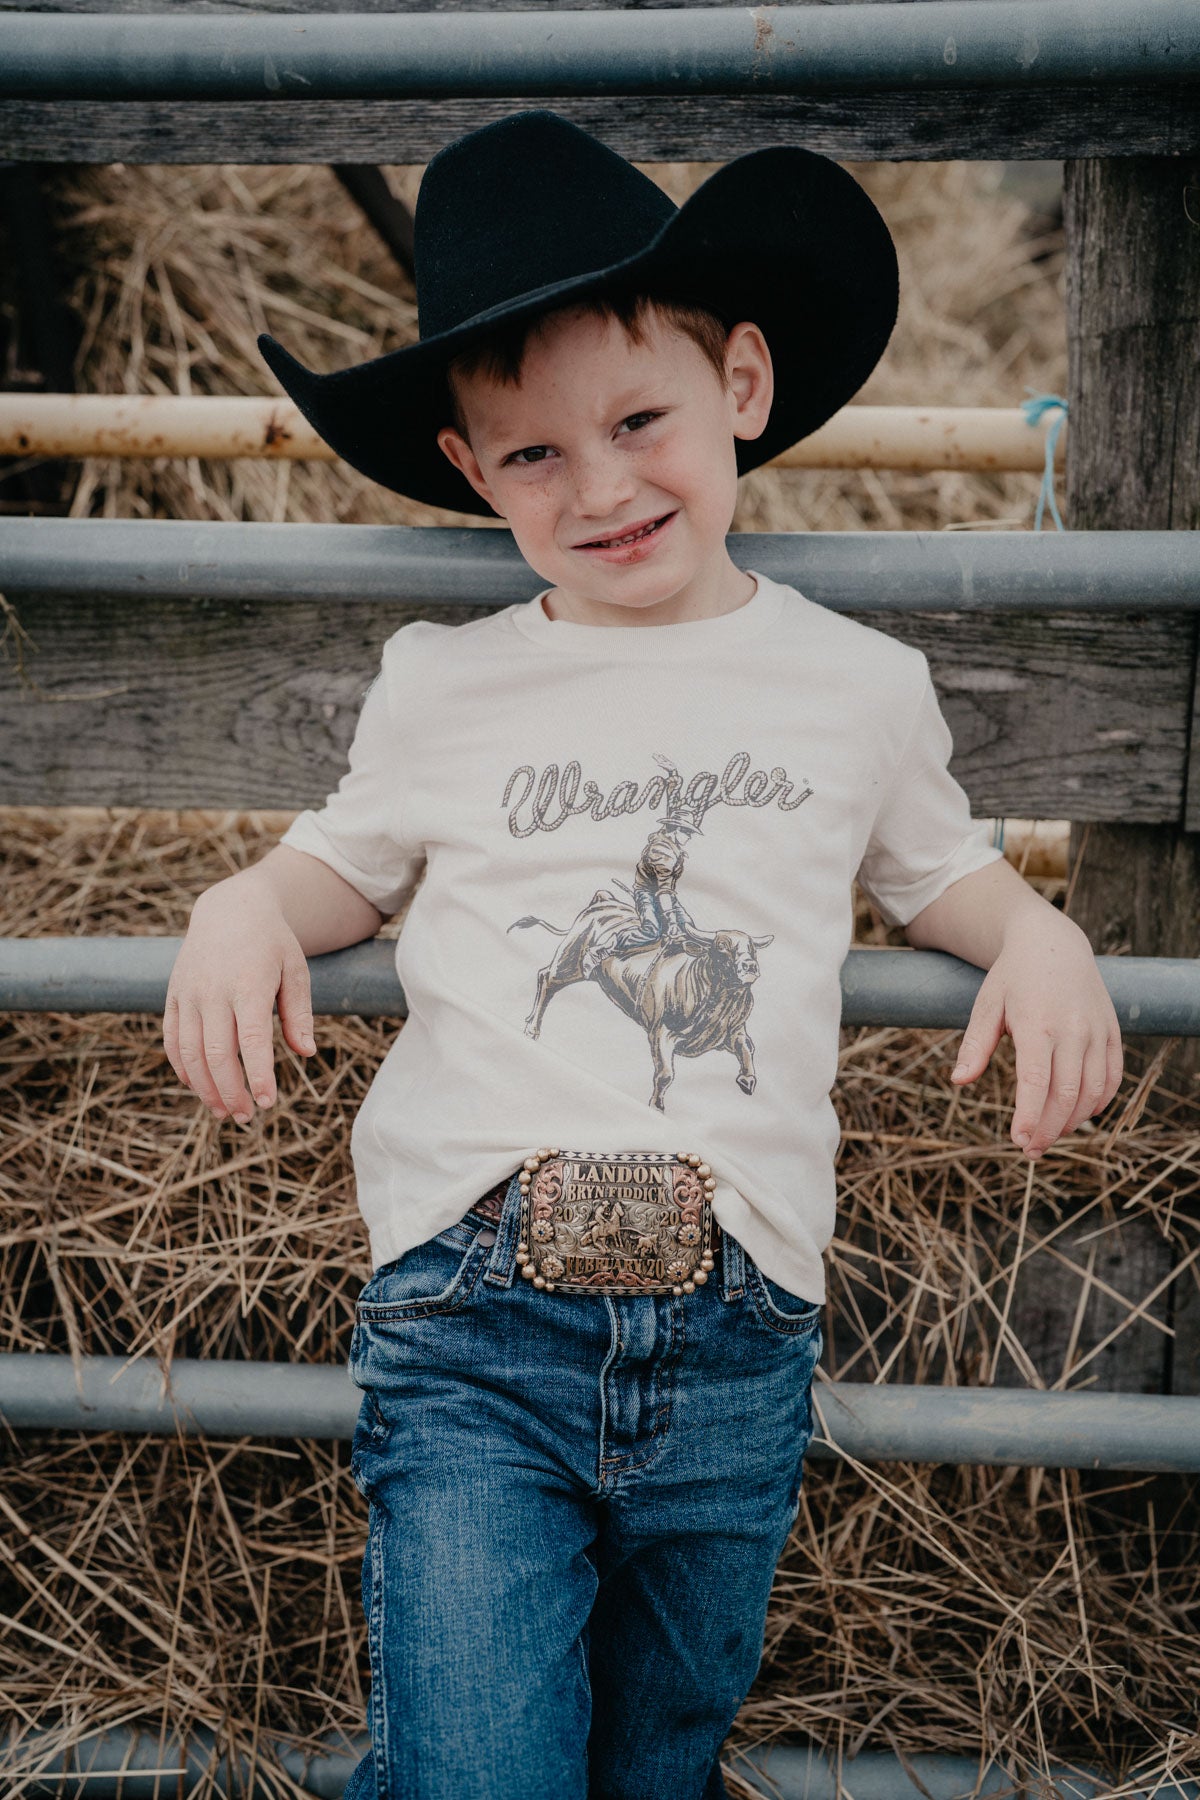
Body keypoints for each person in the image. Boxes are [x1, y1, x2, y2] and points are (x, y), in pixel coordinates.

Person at [163, 111, 1124, 1800]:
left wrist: (1037, 931)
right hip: (475, 1325)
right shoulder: (444, 683)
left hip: (740, 1329)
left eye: (638, 421)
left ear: (741, 385)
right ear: (469, 469)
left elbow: (941, 877)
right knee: (481, 1769)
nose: (600, 487)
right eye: (533, 455)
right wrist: (243, 906)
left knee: (659, 1758)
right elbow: (339, 865)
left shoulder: (856, 687)